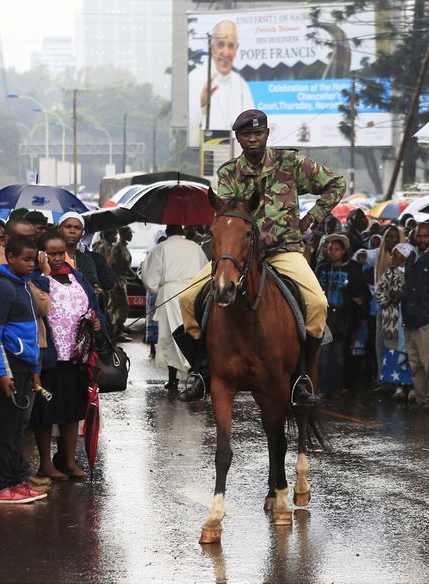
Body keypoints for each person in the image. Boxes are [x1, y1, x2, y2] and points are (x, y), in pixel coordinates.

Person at [178, 110, 345, 404]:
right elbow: (227, 211)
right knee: (187, 299)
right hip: (239, 255)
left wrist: (311, 218)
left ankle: (301, 378)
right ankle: (201, 369)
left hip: (284, 251)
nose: (252, 138)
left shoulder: (290, 163)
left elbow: (336, 184)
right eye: (246, 134)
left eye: (258, 133)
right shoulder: (229, 172)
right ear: (238, 139)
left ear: (267, 134)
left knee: (318, 304)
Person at [31, 231, 105, 482]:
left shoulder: (77, 276)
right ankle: (45, 464)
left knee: (73, 411)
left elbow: (93, 306)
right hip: (49, 357)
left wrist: (97, 322)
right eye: (51, 253)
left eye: (61, 252)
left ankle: (69, 461)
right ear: (41, 254)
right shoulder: (36, 278)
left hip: (76, 357)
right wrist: (44, 274)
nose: (58, 258)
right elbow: (35, 305)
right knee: (45, 412)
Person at [0, 235, 47, 504]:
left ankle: (15, 481)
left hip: (24, 367)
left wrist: (34, 370)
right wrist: (1, 373)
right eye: (26, 259)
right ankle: (0, 487)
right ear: (10, 257)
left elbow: (31, 332)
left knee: (18, 429)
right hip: (8, 367)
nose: (32, 264)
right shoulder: (4, 288)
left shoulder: (23, 286)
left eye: (33, 259)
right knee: (6, 429)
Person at [141, 224, 208, 395]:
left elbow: (150, 277)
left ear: (168, 232)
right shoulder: (195, 248)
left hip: (169, 294)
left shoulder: (161, 248)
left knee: (170, 336)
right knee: (192, 332)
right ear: (183, 232)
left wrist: (159, 289)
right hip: (193, 292)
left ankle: (173, 378)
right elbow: (206, 271)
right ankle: (196, 374)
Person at [315, 235, 367, 397]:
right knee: (323, 355)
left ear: (344, 251)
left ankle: (336, 387)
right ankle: (323, 387)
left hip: (343, 319)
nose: (332, 253)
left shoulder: (352, 269)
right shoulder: (322, 268)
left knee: (338, 355)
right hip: (324, 317)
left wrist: (356, 303)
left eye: (336, 250)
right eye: (330, 249)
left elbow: (359, 293)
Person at [402, 223, 429, 407]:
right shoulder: (411, 256)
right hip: (409, 319)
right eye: (419, 236)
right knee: (415, 363)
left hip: (427, 320)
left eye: (426, 236)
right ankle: (420, 398)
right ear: (414, 236)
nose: (422, 240)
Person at [196, 20, 254, 137]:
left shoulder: (241, 84)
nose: (226, 53)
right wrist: (203, 104)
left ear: (236, 49)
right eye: (221, 45)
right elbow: (191, 133)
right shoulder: (195, 78)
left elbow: (253, 126)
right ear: (212, 48)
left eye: (231, 46)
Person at [375, 243, 414, 399]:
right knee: (393, 352)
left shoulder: (414, 272)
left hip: (409, 320)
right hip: (392, 321)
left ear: (405, 255)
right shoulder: (389, 273)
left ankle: (411, 385)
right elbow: (378, 293)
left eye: (396, 254)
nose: (392, 257)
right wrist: (390, 296)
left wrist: (405, 296)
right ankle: (397, 387)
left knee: (409, 352)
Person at [58, 212, 101, 290]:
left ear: (82, 233)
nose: (72, 231)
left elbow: (94, 286)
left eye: (77, 228)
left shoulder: (86, 260)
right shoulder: (49, 256)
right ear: (59, 229)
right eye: (68, 227)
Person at [107, 226, 133, 341]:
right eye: (129, 233)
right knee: (119, 305)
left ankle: (120, 328)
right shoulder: (117, 249)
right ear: (124, 234)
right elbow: (113, 265)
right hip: (117, 281)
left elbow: (127, 266)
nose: (131, 236)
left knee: (123, 305)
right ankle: (116, 332)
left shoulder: (123, 247)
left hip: (122, 279)